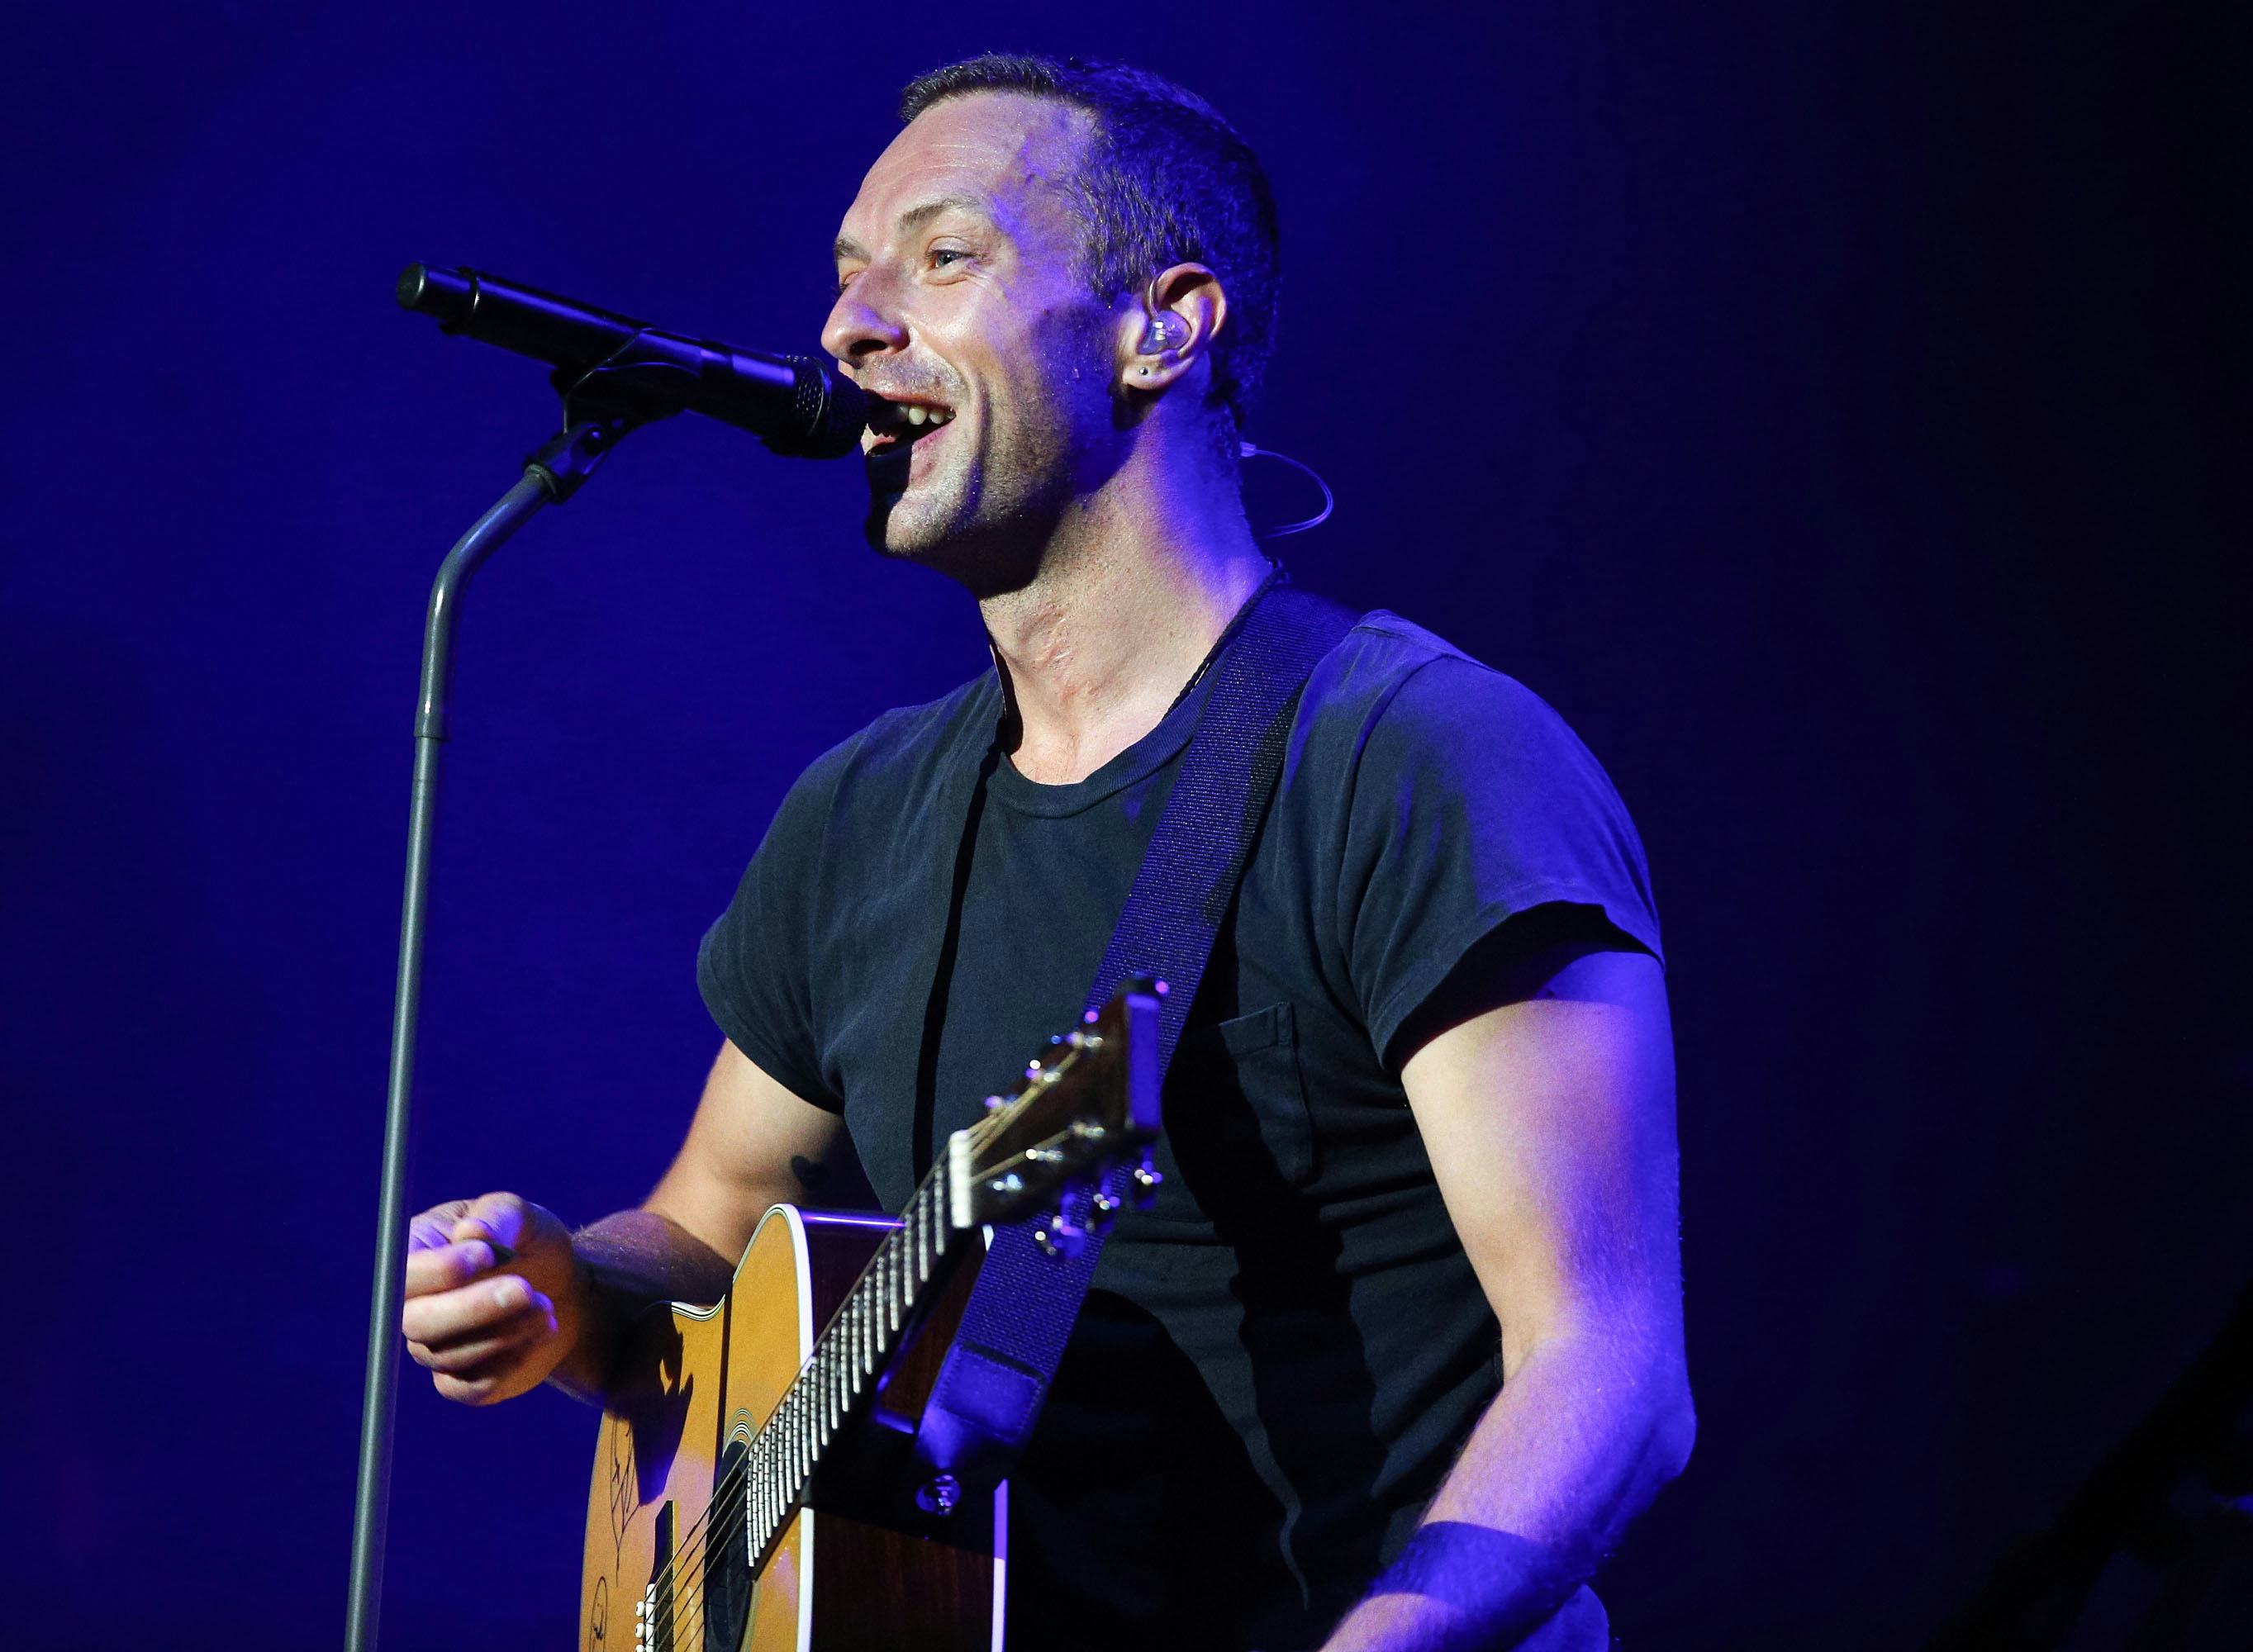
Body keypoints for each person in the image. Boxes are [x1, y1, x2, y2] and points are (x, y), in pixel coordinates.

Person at [397, 53, 1693, 1652]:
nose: (849, 324)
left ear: (1165, 326)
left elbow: (1607, 1367)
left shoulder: (1419, 758)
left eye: (942, 256)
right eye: (846, 274)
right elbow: (711, 1227)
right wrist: (559, 1297)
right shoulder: (861, 809)